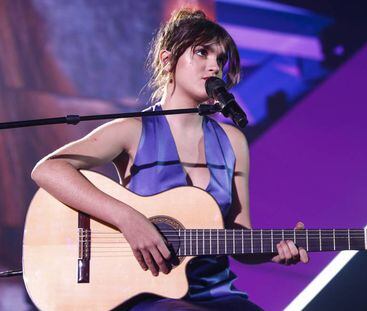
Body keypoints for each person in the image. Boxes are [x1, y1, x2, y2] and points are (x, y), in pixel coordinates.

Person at [31, 8, 309, 311]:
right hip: (145, 292)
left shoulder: (233, 141)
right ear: (167, 60)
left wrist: (273, 250)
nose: (214, 66)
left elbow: (237, 236)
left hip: (216, 295)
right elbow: (48, 170)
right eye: (202, 53)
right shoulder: (132, 130)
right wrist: (129, 220)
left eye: (220, 59)